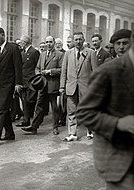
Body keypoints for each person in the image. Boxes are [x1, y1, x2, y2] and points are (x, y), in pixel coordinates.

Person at [76, 30, 134, 189]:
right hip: (122, 158)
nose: (121, 47)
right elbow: (83, 113)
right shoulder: (107, 71)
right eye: (118, 43)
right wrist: (118, 123)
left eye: (125, 43)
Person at [0, 27, 23, 144]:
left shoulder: (13, 49)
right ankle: (10, 133)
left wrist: (18, 83)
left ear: (3, 35)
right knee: (3, 109)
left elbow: (18, 68)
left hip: (8, 84)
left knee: (1, 110)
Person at [21, 36, 63, 135]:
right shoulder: (42, 54)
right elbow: (37, 67)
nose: (48, 44)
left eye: (50, 42)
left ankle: (55, 127)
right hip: (42, 85)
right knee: (39, 106)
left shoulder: (59, 55)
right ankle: (34, 127)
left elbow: (62, 69)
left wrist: (50, 71)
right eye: (47, 42)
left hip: (53, 84)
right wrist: (38, 73)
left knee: (54, 107)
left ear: (54, 43)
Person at [59, 32, 97, 141]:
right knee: (71, 111)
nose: (78, 42)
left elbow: (95, 72)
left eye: (80, 39)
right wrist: (62, 87)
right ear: (73, 40)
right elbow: (64, 71)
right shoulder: (68, 53)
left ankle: (90, 131)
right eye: (76, 39)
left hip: (86, 88)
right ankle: (72, 133)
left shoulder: (90, 53)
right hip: (71, 87)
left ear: (84, 39)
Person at [15, 35, 40, 127]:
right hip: (23, 81)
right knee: (24, 101)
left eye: (21, 42)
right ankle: (26, 120)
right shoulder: (22, 53)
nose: (21, 44)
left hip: (31, 81)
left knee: (30, 100)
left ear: (26, 43)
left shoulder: (34, 52)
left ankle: (33, 119)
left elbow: (37, 66)